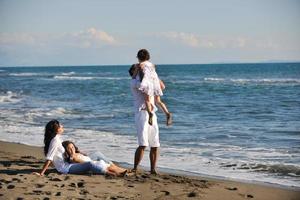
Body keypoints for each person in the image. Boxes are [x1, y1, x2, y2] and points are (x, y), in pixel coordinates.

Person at [33, 120, 127, 176]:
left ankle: (115, 167)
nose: (62, 126)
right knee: (90, 164)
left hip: (68, 163)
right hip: (66, 169)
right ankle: (113, 174)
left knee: (96, 154)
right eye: (60, 126)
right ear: (56, 129)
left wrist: (78, 152)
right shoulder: (55, 141)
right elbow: (49, 158)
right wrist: (42, 173)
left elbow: (59, 154)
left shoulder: (57, 138)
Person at [129, 64, 160, 175]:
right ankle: (135, 168)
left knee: (155, 144)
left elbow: (161, 86)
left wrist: (153, 73)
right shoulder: (134, 82)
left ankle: (153, 169)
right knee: (143, 144)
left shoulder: (147, 81)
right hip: (141, 114)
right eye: (139, 71)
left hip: (152, 113)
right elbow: (144, 86)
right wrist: (139, 70)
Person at [135, 49, 172, 126]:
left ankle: (150, 114)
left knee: (147, 100)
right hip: (155, 81)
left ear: (139, 57)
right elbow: (153, 73)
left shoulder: (140, 65)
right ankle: (167, 113)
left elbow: (141, 75)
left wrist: (142, 82)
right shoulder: (152, 64)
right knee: (158, 101)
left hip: (148, 82)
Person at [62, 140, 127, 176]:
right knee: (108, 167)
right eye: (69, 149)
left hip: (91, 160)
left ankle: (124, 171)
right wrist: (94, 163)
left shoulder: (77, 153)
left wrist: (81, 153)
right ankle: (119, 173)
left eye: (72, 147)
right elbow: (84, 163)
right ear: (66, 150)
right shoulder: (72, 157)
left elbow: (85, 156)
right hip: (92, 163)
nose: (72, 150)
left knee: (110, 165)